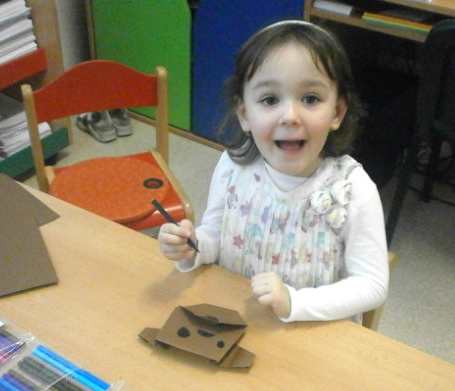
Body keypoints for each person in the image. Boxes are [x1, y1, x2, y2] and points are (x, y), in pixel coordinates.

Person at [158, 20, 388, 323]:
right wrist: (193, 247)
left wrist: (295, 303)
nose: (289, 116)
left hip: (314, 332)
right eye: (269, 100)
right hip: (235, 320)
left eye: (310, 99)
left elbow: (372, 285)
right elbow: (215, 235)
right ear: (244, 114)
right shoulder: (233, 166)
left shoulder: (352, 189)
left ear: (337, 112)